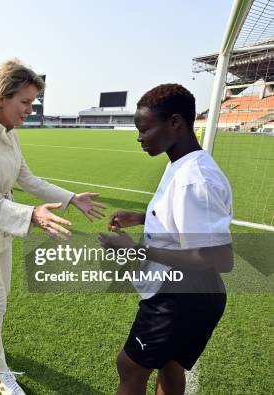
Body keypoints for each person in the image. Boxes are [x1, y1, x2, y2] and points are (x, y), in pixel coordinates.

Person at [0, 59, 105, 395]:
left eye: (32, 103)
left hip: (2, 227)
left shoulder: (9, 134)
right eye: (24, 102)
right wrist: (30, 215)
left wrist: (71, 197)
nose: (29, 110)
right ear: (0, 97)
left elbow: (27, 178)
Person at [98, 84, 233, 395]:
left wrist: (137, 250)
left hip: (180, 296)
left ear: (175, 122)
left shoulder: (194, 179)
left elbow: (218, 258)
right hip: (189, 293)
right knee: (170, 365)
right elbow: (185, 222)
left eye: (145, 129)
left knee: (130, 367)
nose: (139, 138)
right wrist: (142, 217)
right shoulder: (182, 164)